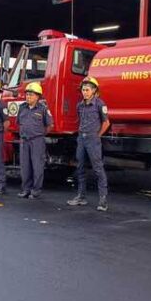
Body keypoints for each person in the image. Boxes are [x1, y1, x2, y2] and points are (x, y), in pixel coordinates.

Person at [67, 76, 110, 212]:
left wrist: (97, 135)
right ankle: (81, 197)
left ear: (94, 90)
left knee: (98, 169)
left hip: (93, 140)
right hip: (81, 138)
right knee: (80, 167)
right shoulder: (79, 105)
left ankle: (103, 200)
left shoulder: (100, 104)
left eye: (87, 90)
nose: (84, 92)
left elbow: (106, 123)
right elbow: (80, 120)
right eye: (83, 90)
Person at [17, 82, 53, 199]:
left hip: (37, 141)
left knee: (37, 166)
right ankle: (26, 190)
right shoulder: (22, 107)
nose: (28, 97)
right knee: (25, 167)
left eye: (31, 95)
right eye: (27, 94)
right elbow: (19, 123)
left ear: (37, 96)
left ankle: (36, 191)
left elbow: (49, 125)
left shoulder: (43, 109)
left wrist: (40, 134)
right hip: (24, 141)